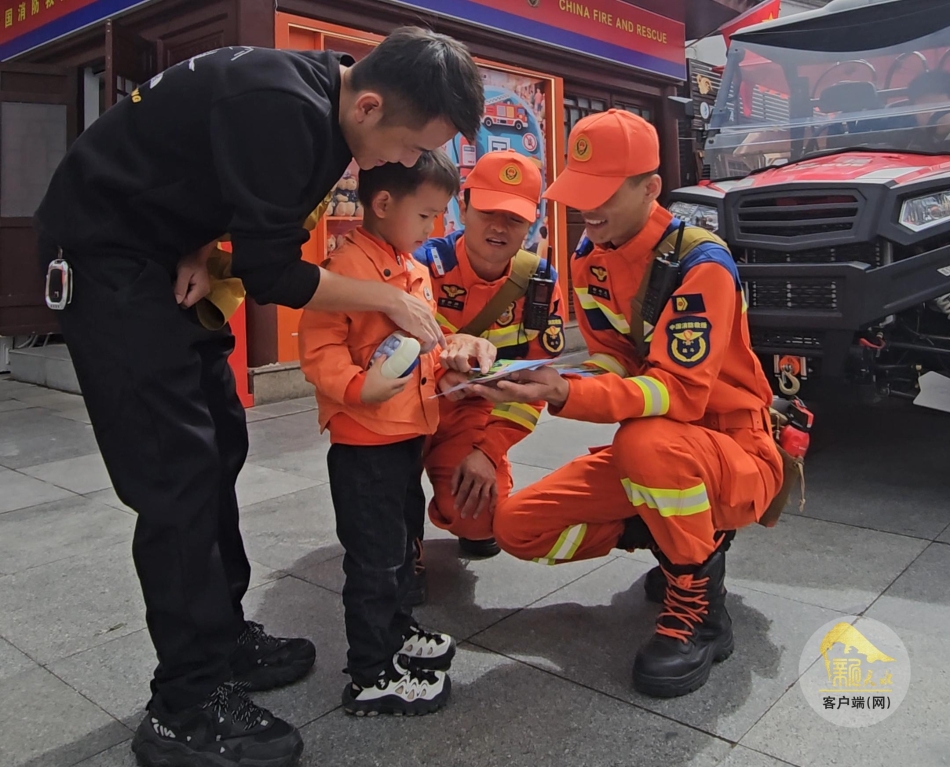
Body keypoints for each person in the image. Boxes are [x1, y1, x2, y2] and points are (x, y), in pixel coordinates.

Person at [33, 28, 488, 767]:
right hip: (106, 258)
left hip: (162, 253)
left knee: (220, 440)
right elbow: (273, 273)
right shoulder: (284, 107)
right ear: (370, 106)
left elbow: (216, 183)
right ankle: (184, 706)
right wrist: (387, 299)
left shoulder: (329, 107)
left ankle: (221, 637)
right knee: (176, 473)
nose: (407, 165)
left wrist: (198, 241)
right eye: (410, 148)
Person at [472, 110, 787, 699]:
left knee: (645, 440)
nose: (586, 210)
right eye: (579, 191)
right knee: (517, 527)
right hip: (659, 451)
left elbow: (678, 394)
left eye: (603, 194)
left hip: (733, 449)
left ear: (650, 189)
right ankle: (672, 541)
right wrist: (549, 377)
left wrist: (566, 393)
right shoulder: (589, 258)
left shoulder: (701, 264)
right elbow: (613, 359)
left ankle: (700, 611)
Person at [298, 150, 466, 716]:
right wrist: (355, 387)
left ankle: (397, 630)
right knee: (373, 560)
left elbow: (424, 346)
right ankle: (370, 673)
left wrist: (452, 361)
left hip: (404, 438)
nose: (432, 229)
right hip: (363, 445)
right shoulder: (344, 270)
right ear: (384, 203)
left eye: (438, 217)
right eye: (425, 215)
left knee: (400, 547)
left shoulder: (410, 268)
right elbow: (319, 347)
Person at [415, 150, 565, 560]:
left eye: (514, 217)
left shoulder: (539, 285)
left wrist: (487, 451)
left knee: (481, 516)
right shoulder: (421, 264)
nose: (499, 227)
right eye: (488, 212)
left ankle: (457, 493)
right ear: (463, 208)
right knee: (382, 490)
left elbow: (536, 384)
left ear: (532, 223)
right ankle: (400, 537)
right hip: (406, 406)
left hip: (471, 414)